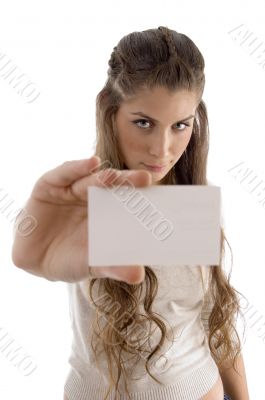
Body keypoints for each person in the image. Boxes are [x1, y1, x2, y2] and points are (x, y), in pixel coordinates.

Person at [11, 26, 250, 400]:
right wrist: (28, 248)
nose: (162, 149)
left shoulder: (196, 205)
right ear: (109, 108)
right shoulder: (76, 204)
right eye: (144, 123)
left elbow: (215, 324)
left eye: (180, 125)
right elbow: (33, 257)